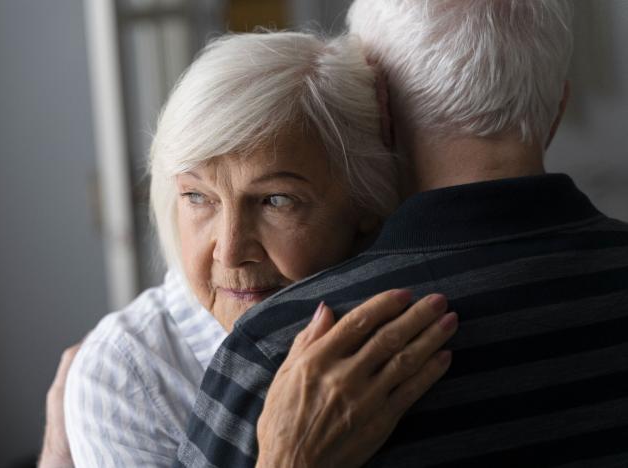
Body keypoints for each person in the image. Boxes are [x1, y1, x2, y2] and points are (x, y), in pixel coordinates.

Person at [179, 1, 628, 467]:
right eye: (195, 196)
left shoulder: (287, 354)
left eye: (275, 199)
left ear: (381, 108)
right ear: (558, 107)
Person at [49, 31, 457, 467]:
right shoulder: (130, 374)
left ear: (365, 204)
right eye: (198, 197)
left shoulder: (420, 319)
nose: (229, 252)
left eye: (274, 200)